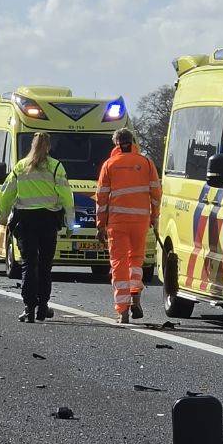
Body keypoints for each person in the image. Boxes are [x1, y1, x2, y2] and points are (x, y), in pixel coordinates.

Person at [0, 132, 73, 323]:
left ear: (32, 145)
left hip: (25, 221)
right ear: (48, 147)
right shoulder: (56, 167)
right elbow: (66, 196)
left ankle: (29, 308)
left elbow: (6, 193)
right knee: (45, 266)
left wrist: (2, 216)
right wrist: (70, 222)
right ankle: (43, 306)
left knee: (29, 265)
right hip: (48, 221)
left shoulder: (21, 166)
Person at [96, 127, 161, 323]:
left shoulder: (109, 165)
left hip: (117, 222)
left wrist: (100, 224)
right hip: (140, 222)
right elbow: (156, 194)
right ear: (133, 142)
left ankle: (122, 310)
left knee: (119, 264)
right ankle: (136, 298)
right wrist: (153, 216)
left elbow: (101, 198)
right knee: (136, 261)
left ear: (116, 143)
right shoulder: (146, 163)